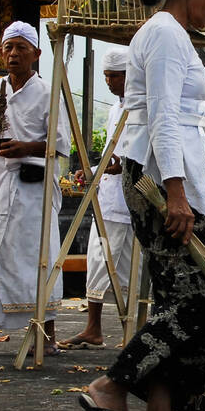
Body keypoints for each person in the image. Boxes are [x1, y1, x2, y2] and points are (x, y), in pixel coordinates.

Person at [79, 0, 205, 411]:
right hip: (161, 179)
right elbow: (165, 115)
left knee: (187, 299)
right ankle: (111, 386)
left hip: (177, 175)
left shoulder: (171, 35)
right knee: (200, 299)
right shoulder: (166, 34)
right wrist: (175, 192)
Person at [0, 21, 70, 359]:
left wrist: (27, 147)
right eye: (8, 47)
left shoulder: (48, 92)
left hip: (32, 185)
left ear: (36, 53)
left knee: (36, 254)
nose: (14, 53)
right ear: (1, 53)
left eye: (21, 47)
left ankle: (45, 334)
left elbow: (61, 143)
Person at [60, 48, 134, 350]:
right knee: (99, 260)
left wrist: (124, 167)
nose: (108, 82)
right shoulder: (117, 109)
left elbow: (140, 151)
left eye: (113, 76)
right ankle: (93, 327)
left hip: (133, 197)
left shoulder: (141, 107)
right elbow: (110, 154)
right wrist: (91, 171)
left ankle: (132, 329)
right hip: (110, 197)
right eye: (105, 76)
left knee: (131, 267)